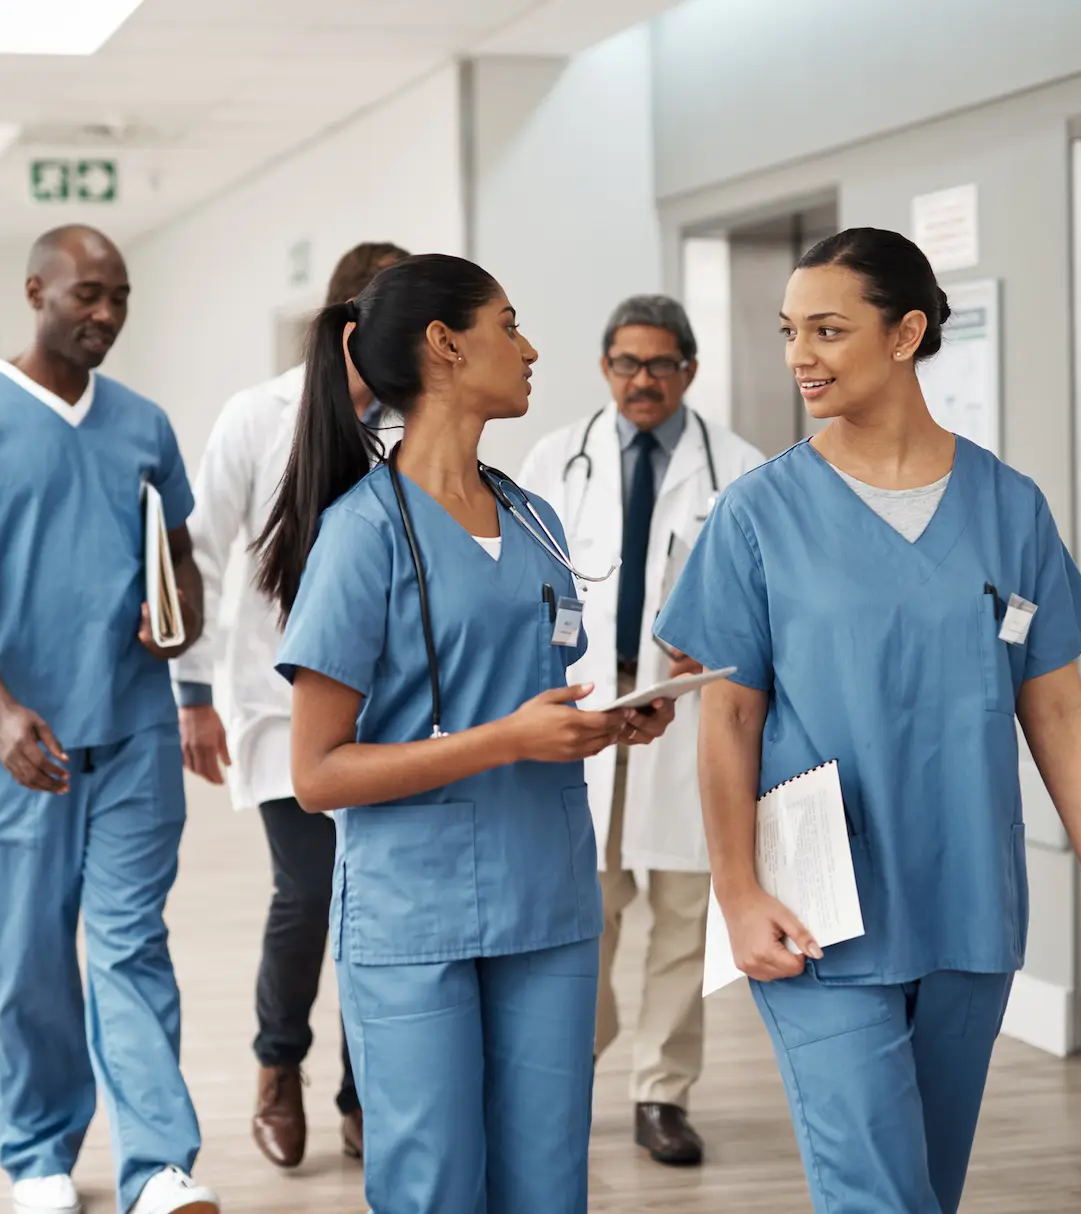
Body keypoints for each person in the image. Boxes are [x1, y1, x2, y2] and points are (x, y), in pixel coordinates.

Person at [654, 227, 1081, 1214]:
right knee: (877, 1195)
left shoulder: (1008, 506)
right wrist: (738, 889)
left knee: (925, 1189)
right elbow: (727, 721)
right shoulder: (758, 514)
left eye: (829, 329)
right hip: (817, 916)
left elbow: (1053, 702)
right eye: (791, 329)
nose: (802, 354)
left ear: (907, 331)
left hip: (968, 901)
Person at [255, 253, 676, 1213]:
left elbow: (531, 693)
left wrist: (611, 716)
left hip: (550, 899)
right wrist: (507, 741)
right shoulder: (362, 536)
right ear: (446, 346)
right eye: (509, 324)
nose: (531, 349)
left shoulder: (532, 517)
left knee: (545, 1183)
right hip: (417, 914)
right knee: (435, 1184)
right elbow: (316, 775)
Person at [0, 225, 221, 1214]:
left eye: (120, 297)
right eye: (87, 295)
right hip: (14, 741)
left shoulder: (144, 425)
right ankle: (38, 1154)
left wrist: (183, 613)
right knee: (28, 953)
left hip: (133, 729)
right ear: (37, 289)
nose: (105, 315)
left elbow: (182, 557)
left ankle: (156, 1164)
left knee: (129, 944)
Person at [171, 240, 408, 1168]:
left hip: (392, 707)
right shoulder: (256, 415)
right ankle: (279, 1067)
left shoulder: (416, 417)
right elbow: (192, 551)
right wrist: (193, 690)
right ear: (348, 326)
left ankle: (363, 1089)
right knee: (309, 893)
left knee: (377, 901)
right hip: (278, 704)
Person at [516, 294, 763, 1166]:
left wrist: (707, 649)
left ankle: (662, 1092)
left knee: (685, 916)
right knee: (589, 906)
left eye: (661, 364)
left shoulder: (738, 467)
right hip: (590, 708)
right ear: (605, 368)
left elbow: (758, 602)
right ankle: (577, 1058)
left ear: (689, 369)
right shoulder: (558, 458)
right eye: (626, 363)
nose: (642, 380)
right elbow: (526, 582)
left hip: (689, 711)